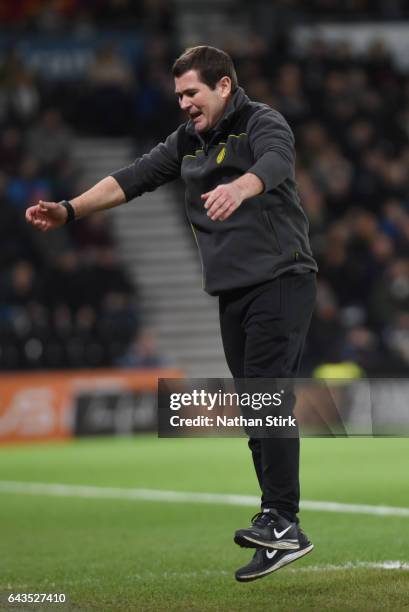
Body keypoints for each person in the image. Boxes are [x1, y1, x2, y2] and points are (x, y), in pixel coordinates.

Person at [26, 45, 318, 582]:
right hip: (233, 290)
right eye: (179, 94)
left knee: (266, 397)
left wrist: (241, 184)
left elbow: (278, 162)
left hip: (281, 279)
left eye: (192, 92)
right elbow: (129, 180)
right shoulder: (188, 142)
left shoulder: (261, 122)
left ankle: (283, 519)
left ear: (224, 86)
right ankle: (278, 524)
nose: (184, 103)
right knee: (254, 407)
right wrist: (69, 210)